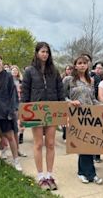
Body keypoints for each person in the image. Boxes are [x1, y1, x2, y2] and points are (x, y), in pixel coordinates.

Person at [21, 42, 64, 190]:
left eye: (47, 52)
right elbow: (25, 92)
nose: (44, 54)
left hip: (52, 110)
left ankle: (49, 175)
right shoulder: (29, 71)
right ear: (37, 53)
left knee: (51, 144)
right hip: (35, 110)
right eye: (42, 51)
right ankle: (40, 176)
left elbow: (60, 91)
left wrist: (62, 110)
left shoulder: (55, 71)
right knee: (38, 144)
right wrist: (23, 114)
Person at [63, 56, 103, 185]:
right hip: (76, 114)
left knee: (89, 144)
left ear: (88, 65)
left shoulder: (90, 80)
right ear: (75, 65)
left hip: (91, 116)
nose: (82, 65)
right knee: (83, 144)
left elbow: (93, 98)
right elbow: (61, 96)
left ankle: (84, 172)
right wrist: (70, 102)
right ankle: (89, 174)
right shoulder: (69, 80)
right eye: (79, 63)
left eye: (84, 63)